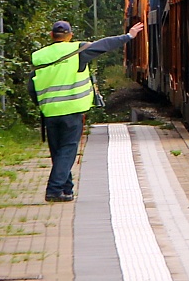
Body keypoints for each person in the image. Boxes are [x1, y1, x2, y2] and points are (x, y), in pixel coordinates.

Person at [29, 19, 144, 202]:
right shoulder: (79, 51)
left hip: (49, 112)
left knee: (58, 151)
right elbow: (104, 44)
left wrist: (42, 104)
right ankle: (54, 188)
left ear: (51, 36)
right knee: (67, 150)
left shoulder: (40, 56)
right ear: (70, 35)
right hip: (72, 110)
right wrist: (128, 36)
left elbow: (31, 87)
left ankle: (66, 190)